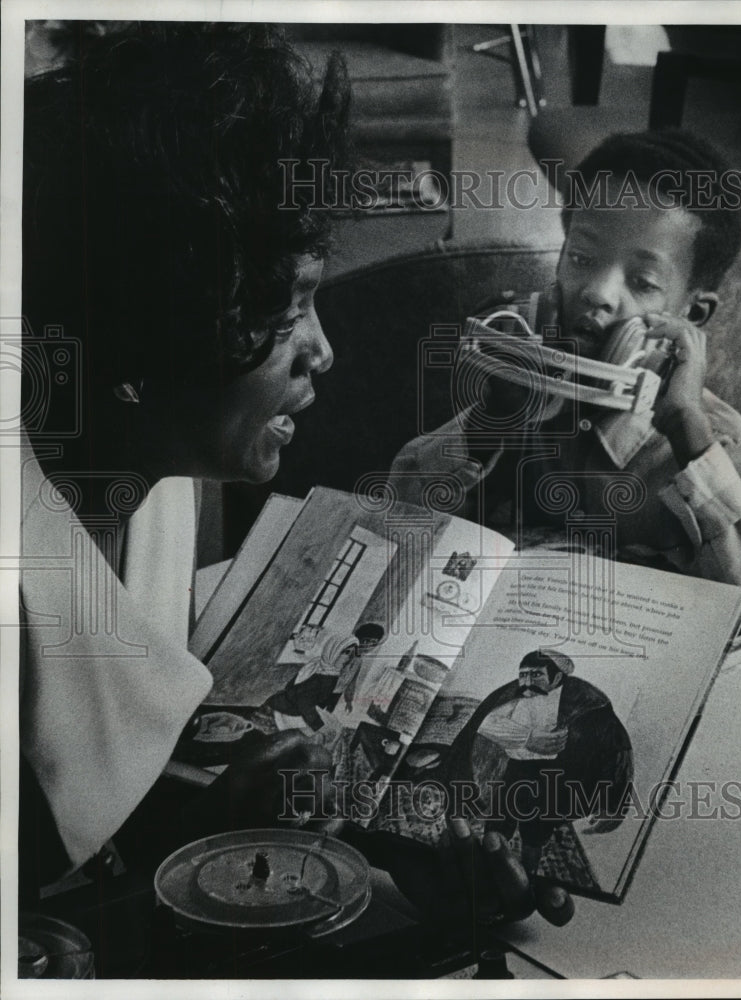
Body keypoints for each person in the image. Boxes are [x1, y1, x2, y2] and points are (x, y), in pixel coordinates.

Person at [18, 21, 555, 930]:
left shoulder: (162, 474)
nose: (325, 351)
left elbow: (114, 806)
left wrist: (300, 829)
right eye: (289, 309)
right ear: (153, 335)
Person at [389, 129, 741, 631]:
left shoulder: (718, 447)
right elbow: (397, 517)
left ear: (691, 313)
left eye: (643, 282)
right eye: (581, 259)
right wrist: (491, 421)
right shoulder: (519, 396)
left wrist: (685, 430)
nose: (597, 292)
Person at [443, 650, 633, 875]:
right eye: (523, 675)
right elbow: (486, 723)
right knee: (497, 824)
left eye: (536, 675)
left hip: (550, 779)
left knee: (534, 834)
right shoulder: (515, 695)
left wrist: (614, 804)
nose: (527, 682)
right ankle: (490, 867)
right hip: (512, 772)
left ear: (557, 678)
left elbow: (617, 749)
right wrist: (527, 738)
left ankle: (527, 874)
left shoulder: (588, 704)